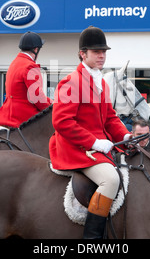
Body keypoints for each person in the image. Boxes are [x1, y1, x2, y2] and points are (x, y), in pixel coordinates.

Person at [49, 26, 132, 239]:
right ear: (82, 54)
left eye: (104, 51)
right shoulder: (70, 83)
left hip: (98, 146)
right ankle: (91, 240)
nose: (102, 56)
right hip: (76, 148)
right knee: (111, 180)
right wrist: (94, 142)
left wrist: (124, 137)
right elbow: (61, 122)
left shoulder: (100, 81)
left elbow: (111, 118)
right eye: (96, 52)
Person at [0, 32, 52, 128]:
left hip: (8, 113)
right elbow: (37, 97)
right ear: (36, 49)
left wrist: (51, 102)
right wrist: (51, 110)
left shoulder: (15, 62)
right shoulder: (30, 65)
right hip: (23, 115)